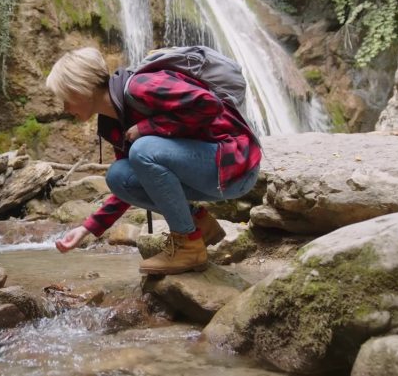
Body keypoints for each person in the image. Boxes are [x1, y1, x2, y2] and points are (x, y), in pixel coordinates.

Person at [45, 47, 261, 274]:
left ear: (80, 89)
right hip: (208, 174)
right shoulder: (112, 123)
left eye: (65, 99)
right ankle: (199, 224)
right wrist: (87, 228)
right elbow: (140, 178)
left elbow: (209, 105)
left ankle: (188, 245)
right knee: (119, 176)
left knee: (143, 150)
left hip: (235, 168)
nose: (65, 108)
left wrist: (148, 127)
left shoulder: (142, 86)